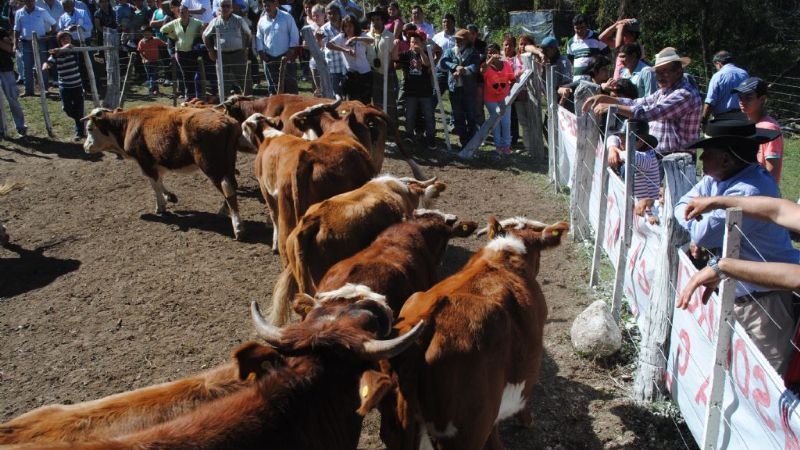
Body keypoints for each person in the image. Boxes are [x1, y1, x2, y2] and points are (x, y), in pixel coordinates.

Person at [674, 119, 798, 375]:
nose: (701, 159)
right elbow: (778, 209)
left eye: (707, 152)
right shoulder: (724, 180)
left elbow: (702, 232)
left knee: (762, 380)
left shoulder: (751, 189)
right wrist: (718, 201)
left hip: (764, 301)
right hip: (749, 293)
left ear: (727, 160)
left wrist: (723, 266)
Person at [583, 47, 702, 157]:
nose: (660, 76)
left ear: (679, 71)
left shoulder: (684, 94)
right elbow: (641, 102)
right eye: (658, 72)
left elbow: (650, 113)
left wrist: (614, 106)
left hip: (677, 160)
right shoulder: (666, 90)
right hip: (664, 156)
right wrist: (608, 99)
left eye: (664, 71)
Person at [733, 77, 784, 183]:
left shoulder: (769, 128)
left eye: (748, 98)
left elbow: (773, 174)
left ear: (762, 99)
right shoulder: (746, 124)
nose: (742, 101)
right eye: (740, 97)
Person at [439, 28, 480, 151]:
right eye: (456, 39)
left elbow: (475, 66)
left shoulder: (473, 52)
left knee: (471, 116)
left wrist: (464, 70)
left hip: (468, 89)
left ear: (467, 41)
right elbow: (443, 62)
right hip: (454, 89)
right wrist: (455, 67)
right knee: (458, 116)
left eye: (460, 40)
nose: (457, 41)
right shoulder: (450, 51)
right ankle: (463, 141)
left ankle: (472, 142)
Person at [202, 0, 250, 96]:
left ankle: (248, 101)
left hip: (238, 55)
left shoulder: (239, 20)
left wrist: (246, 49)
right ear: (220, 7)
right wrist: (210, 50)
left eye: (228, 6)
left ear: (232, 8)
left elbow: (248, 34)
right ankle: (224, 105)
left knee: (243, 79)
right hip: (221, 55)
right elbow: (205, 35)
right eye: (223, 6)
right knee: (223, 82)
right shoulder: (215, 21)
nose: (225, 8)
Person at [606, 120, 660, 202]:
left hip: (646, 211)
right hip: (631, 206)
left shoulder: (648, 158)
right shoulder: (626, 145)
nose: (620, 139)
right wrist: (612, 148)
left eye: (624, 136)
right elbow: (612, 138)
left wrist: (615, 152)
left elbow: (631, 155)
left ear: (640, 140)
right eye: (620, 135)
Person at [397, 30, 434, 150]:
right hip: (411, 91)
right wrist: (395, 44)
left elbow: (427, 64)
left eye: (417, 42)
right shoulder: (406, 54)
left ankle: (431, 138)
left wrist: (421, 51)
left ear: (422, 43)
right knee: (410, 115)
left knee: (428, 116)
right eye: (412, 42)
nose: (414, 44)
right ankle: (408, 135)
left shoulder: (426, 53)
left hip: (425, 92)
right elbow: (394, 58)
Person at [43, 31, 84, 139]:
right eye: (63, 39)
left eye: (68, 38)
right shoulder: (55, 54)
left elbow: (70, 46)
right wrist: (45, 65)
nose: (66, 40)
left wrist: (59, 50)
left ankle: (79, 131)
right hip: (65, 86)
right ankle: (81, 120)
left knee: (79, 109)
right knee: (67, 109)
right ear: (59, 41)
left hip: (77, 85)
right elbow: (48, 63)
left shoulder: (74, 50)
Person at [13, 0, 55, 96]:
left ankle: (45, 89)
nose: (30, 2)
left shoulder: (42, 11)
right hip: (25, 43)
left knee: (42, 66)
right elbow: (16, 29)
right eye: (28, 0)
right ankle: (28, 90)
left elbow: (53, 24)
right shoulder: (19, 13)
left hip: (40, 42)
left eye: (31, 0)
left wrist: (49, 35)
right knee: (27, 67)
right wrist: (15, 43)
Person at [256, 0, 299, 94]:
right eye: (264, 5)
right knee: (272, 86)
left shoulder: (287, 17)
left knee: (290, 85)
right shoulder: (262, 20)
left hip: (286, 56)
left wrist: (291, 51)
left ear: (275, 3)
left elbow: (294, 35)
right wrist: (261, 52)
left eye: (268, 4)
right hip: (268, 57)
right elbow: (259, 37)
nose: (266, 7)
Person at [160, 4, 203, 99]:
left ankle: (197, 95)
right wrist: (173, 37)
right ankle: (189, 95)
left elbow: (204, 27)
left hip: (193, 52)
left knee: (194, 73)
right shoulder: (175, 22)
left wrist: (199, 37)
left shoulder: (196, 22)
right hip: (180, 52)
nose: (183, 14)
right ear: (178, 13)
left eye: (184, 12)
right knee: (185, 74)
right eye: (181, 12)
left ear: (188, 12)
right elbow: (163, 30)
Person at [327, 14, 370, 104]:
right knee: (352, 102)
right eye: (345, 26)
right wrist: (345, 50)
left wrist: (356, 38)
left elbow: (371, 40)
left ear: (355, 26)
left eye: (350, 26)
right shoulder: (342, 37)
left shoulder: (361, 35)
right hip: (351, 75)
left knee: (365, 103)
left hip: (365, 74)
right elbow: (329, 45)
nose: (348, 28)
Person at [481, 42, 514, 155]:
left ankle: (507, 146)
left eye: (494, 52)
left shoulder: (506, 65)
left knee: (506, 122)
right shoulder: (485, 65)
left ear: (498, 52)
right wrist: (490, 60)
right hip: (490, 98)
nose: (492, 54)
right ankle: (498, 146)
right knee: (495, 122)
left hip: (505, 97)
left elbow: (512, 78)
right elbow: (483, 71)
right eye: (489, 53)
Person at [365, 7, 397, 121]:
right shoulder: (367, 37)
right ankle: (379, 126)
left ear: (382, 20)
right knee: (376, 102)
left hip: (387, 73)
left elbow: (394, 57)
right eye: (373, 20)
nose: (375, 22)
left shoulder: (390, 36)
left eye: (377, 19)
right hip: (372, 74)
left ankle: (391, 127)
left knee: (390, 102)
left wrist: (388, 70)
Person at [702, 50, 748, 122]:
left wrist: (703, 121)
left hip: (723, 120)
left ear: (718, 63)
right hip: (743, 118)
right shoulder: (744, 73)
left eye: (716, 66)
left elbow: (710, 102)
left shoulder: (717, 76)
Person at [565, 13, 609, 82]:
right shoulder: (571, 43)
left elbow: (607, 54)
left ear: (587, 26)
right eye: (577, 28)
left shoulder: (596, 37)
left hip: (594, 80)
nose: (579, 31)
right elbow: (571, 60)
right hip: (577, 80)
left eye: (582, 27)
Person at [0, 26, 26, 137]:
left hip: (5, 69)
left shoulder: (1, 31)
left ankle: (20, 126)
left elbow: (10, 49)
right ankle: (1, 130)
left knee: (12, 99)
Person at [315, 3, 345, 96]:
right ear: (326, 15)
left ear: (339, 14)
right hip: (333, 68)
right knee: (336, 96)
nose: (332, 16)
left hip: (348, 67)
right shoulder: (323, 29)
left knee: (349, 96)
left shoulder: (345, 26)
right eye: (329, 13)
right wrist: (318, 39)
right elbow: (324, 45)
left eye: (335, 13)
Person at [301, 3, 323, 96]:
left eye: (318, 15)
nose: (315, 17)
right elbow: (304, 45)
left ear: (324, 15)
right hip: (314, 60)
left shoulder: (328, 27)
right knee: (317, 89)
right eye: (314, 16)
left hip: (329, 62)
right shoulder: (309, 28)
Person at [137, 26, 164, 94]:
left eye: (149, 33)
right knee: (150, 76)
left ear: (151, 33)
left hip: (155, 61)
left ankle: (153, 90)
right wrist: (145, 59)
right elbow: (140, 52)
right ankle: (154, 89)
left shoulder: (156, 39)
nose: (147, 35)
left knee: (154, 75)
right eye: (145, 34)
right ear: (142, 34)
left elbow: (164, 44)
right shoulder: (141, 42)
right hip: (147, 62)